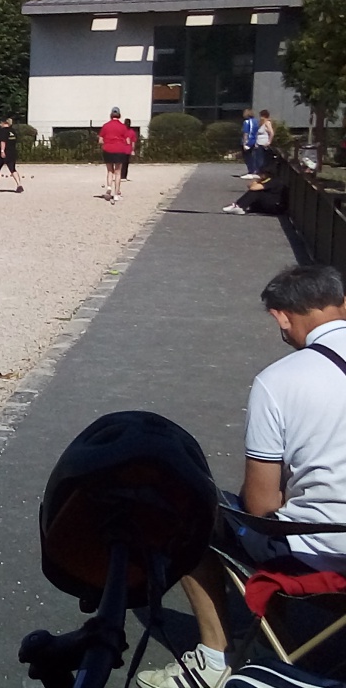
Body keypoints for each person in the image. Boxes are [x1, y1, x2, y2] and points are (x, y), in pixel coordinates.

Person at [135, 265, 346, 688]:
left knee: (193, 509)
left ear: (281, 316)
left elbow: (261, 505)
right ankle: (279, 640)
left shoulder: (279, 381)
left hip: (325, 553)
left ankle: (214, 659)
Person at [99, 108, 133, 202]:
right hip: (119, 150)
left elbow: (100, 140)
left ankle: (109, 187)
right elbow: (128, 140)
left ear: (111, 115)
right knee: (118, 172)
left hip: (108, 149)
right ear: (119, 115)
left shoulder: (105, 126)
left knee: (110, 170)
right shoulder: (123, 127)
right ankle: (117, 193)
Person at [0, 118, 24, 193]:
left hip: (2, 153)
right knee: (13, 169)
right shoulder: (13, 131)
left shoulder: (3, 131)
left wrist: (2, 151)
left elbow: (3, 141)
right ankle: (19, 185)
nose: (0, 125)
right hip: (12, 152)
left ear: (3, 123)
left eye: (0, 123)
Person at [241, 108, 260, 179]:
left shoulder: (246, 122)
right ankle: (255, 171)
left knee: (247, 157)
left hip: (248, 141)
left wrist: (244, 143)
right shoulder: (256, 121)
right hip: (254, 141)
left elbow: (246, 133)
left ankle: (251, 171)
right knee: (254, 156)